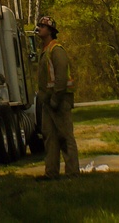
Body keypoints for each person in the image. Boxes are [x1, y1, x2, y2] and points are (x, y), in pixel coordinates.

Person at [35, 15, 80, 178]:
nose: (39, 28)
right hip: (48, 102)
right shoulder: (45, 50)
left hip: (60, 100)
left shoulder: (56, 50)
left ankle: (72, 172)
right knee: (50, 137)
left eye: (42, 26)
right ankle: (51, 172)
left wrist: (55, 99)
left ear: (51, 31)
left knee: (65, 137)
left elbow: (61, 77)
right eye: (39, 25)